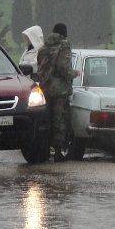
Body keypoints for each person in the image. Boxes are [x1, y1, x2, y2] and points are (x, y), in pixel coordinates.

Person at [36, 23, 79, 162]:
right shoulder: (64, 46)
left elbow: (40, 68)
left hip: (45, 88)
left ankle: (44, 150)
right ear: (64, 33)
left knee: (46, 118)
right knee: (60, 119)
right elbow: (64, 68)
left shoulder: (43, 48)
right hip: (60, 90)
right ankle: (58, 152)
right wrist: (75, 73)